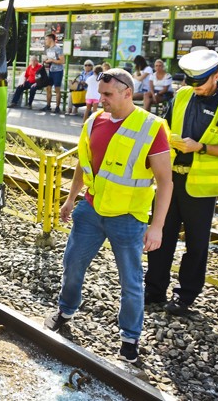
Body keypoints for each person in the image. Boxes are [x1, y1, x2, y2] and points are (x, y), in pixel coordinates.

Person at [44, 68, 172, 363]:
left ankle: (129, 338)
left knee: (130, 281)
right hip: (91, 209)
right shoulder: (93, 121)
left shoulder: (151, 127)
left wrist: (157, 226)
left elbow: (165, 182)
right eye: (100, 93)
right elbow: (83, 164)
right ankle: (66, 310)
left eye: (108, 95)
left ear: (128, 93)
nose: (101, 99)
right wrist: (70, 199)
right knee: (72, 265)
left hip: (128, 216)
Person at [145, 49, 218, 316]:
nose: (196, 89)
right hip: (170, 180)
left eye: (201, 83)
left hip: (200, 187)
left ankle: (184, 296)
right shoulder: (182, 95)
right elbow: (163, 127)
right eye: (192, 83)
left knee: (196, 244)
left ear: (217, 75)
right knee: (159, 236)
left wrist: (200, 146)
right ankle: (154, 290)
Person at [41, 32, 65, 113]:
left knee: (57, 89)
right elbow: (50, 60)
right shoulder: (48, 50)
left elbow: (62, 61)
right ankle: (48, 106)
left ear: (51, 39)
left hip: (58, 71)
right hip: (50, 71)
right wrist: (47, 61)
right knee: (48, 88)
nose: (45, 41)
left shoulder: (58, 49)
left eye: (46, 39)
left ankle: (57, 107)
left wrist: (52, 60)